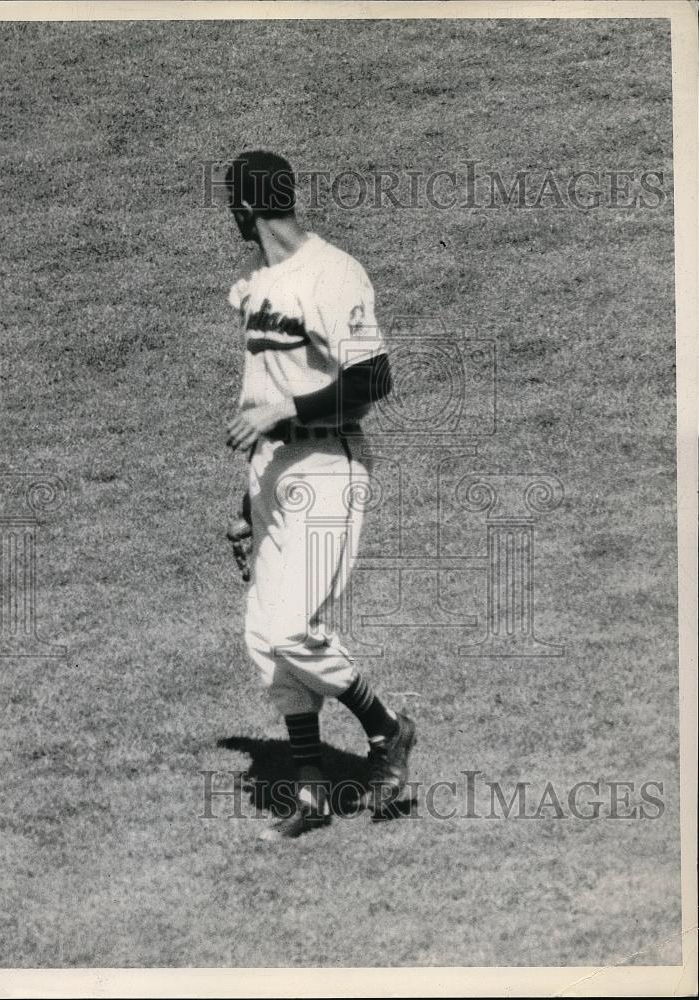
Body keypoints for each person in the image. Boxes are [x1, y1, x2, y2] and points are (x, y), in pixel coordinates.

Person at [223, 150, 416, 840]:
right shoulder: (261, 283)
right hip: (274, 476)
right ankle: (310, 790)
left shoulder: (334, 273)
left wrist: (281, 416)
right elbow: (261, 401)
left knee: (290, 628)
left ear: (242, 210)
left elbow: (372, 383)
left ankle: (386, 728)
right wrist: (249, 509)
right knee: (263, 639)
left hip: (326, 470)